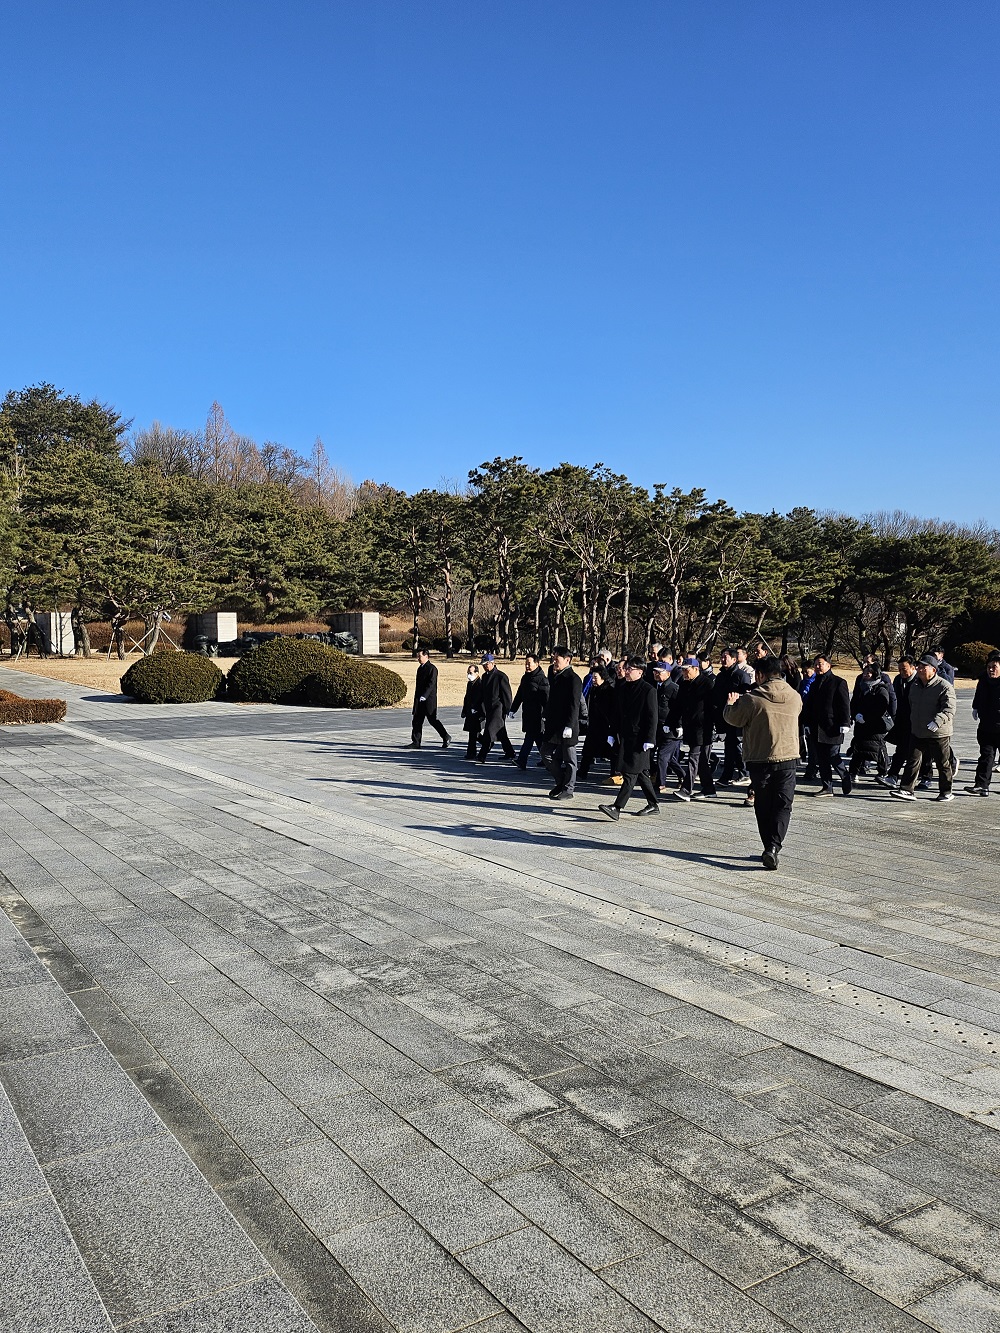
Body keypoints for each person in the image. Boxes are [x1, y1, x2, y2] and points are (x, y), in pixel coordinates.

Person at [723, 655, 802, 869]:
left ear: (759, 675)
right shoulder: (794, 696)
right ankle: (774, 847)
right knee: (783, 804)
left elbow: (733, 719)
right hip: (788, 757)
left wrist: (730, 704)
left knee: (763, 804)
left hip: (760, 758)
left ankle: (769, 846)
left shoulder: (752, 698)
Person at [598, 656, 659, 820]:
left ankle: (616, 807)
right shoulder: (624, 688)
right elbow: (617, 713)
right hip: (626, 736)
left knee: (630, 773)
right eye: (626, 668)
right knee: (641, 773)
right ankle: (653, 804)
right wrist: (612, 733)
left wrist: (650, 739)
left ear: (640, 671)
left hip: (641, 739)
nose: (626, 671)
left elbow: (652, 717)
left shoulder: (648, 690)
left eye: (630, 669)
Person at [892, 653, 957, 802]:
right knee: (913, 760)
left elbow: (949, 708)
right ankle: (906, 789)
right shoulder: (915, 686)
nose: (920, 670)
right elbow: (911, 705)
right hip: (918, 731)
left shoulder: (944, 686)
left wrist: (937, 721)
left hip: (938, 733)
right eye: (919, 667)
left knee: (942, 763)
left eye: (924, 667)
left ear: (933, 670)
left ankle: (946, 792)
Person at [803, 654, 851, 796]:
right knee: (821, 757)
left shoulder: (838, 682)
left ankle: (845, 775)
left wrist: (845, 722)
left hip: (832, 726)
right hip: (817, 726)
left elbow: (844, 704)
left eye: (821, 664)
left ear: (828, 665)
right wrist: (807, 723)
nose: (818, 667)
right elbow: (809, 706)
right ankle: (827, 787)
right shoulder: (814, 683)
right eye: (816, 664)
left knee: (832, 754)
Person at [672, 656, 717, 801]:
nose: (684, 673)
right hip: (689, 726)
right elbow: (678, 705)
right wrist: (674, 723)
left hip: (703, 727)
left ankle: (686, 789)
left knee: (694, 758)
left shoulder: (707, 684)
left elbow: (713, 707)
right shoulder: (684, 684)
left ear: (696, 669)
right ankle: (709, 788)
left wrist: (717, 727)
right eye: (683, 670)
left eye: (687, 670)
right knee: (702, 761)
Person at [541, 645, 583, 800]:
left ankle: (568, 789)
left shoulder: (574, 679)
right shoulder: (555, 675)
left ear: (567, 660)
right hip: (554, 724)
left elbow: (574, 705)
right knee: (545, 752)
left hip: (567, 725)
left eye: (557, 658)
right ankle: (561, 781)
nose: (554, 661)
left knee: (570, 759)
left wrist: (570, 726)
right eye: (553, 658)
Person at [846, 663, 893, 789]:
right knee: (858, 748)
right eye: (865, 672)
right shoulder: (861, 687)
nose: (866, 675)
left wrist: (866, 718)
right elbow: (854, 702)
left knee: (879, 748)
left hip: (875, 725)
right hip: (860, 723)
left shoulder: (881, 688)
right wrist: (854, 715)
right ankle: (853, 772)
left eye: (869, 673)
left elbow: (881, 707)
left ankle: (883, 771)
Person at [713, 648, 752, 785]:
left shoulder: (741, 675)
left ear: (734, 659)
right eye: (722, 657)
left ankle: (743, 773)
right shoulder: (720, 676)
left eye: (726, 657)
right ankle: (728, 775)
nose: (723, 659)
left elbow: (747, 697)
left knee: (735, 745)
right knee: (729, 746)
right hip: (724, 714)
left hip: (737, 715)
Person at [877, 656, 917, 788]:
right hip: (903, 721)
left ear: (913, 667)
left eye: (904, 669)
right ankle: (892, 776)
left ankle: (928, 775)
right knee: (901, 750)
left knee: (925, 752)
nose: (901, 672)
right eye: (899, 669)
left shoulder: (919, 681)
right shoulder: (898, 680)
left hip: (917, 722)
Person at [965, 650, 1000, 796]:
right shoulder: (984, 681)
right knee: (986, 757)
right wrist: (975, 707)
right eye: (989, 667)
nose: (991, 670)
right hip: (986, 727)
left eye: (994, 667)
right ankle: (981, 785)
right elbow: (978, 695)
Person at [510, 654, 549, 769]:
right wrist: (513, 709)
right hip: (527, 714)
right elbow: (519, 695)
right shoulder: (525, 677)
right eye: (525, 663)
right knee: (538, 739)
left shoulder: (542, 679)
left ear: (536, 664)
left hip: (538, 715)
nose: (527, 666)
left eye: (529, 663)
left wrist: (546, 714)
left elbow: (546, 698)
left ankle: (522, 760)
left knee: (530, 737)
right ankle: (548, 761)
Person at [577, 665, 616, 780]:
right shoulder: (593, 689)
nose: (593, 680)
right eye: (592, 677)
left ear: (602, 677)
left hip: (605, 726)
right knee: (588, 750)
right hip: (594, 725)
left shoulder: (609, 690)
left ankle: (614, 774)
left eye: (595, 677)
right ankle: (582, 771)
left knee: (610, 751)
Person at [408, 648, 451, 749]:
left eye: (420, 656)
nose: (418, 658)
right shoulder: (420, 668)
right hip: (419, 699)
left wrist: (425, 695)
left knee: (432, 720)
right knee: (417, 720)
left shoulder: (432, 668)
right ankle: (416, 742)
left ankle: (446, 736)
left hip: (429, 700)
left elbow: (431, 684)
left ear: (426, 656)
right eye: (418, 656)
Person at [476, 654, 516, 763]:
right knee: (500, 731)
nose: (485, 666)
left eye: (486, 664)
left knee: (490, 731)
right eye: (483, 665)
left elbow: (507, 694)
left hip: (498, 709)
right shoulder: (484, 677)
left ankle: (482, 755)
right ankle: (510, 752)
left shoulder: (501, 676)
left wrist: (508, 709)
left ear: (492, 663)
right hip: (488, 708)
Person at [652, 660, 684, 791]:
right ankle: (683, 776)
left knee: (662, 756)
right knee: (668, 758)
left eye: (660, 672)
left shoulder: (674, 688)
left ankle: (661, 783)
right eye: (655, 672)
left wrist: (679, 725)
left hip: (671, 729)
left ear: (668, 673)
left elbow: (679, 708)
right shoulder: (655, 687)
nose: (657, 674)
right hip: (658, 727)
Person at [461, 664, 483, 759]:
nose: (468, 675)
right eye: (468, 673)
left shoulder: (480, 684)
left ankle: (471, 753)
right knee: (473, 732)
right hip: (470, 711)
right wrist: (464, 710)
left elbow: (481, 699)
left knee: (473, 733)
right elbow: (467, 698)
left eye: (470, 673)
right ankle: (486, 743)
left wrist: (478, 710)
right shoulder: (470, 683)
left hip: (476, 712)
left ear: (477, 673)